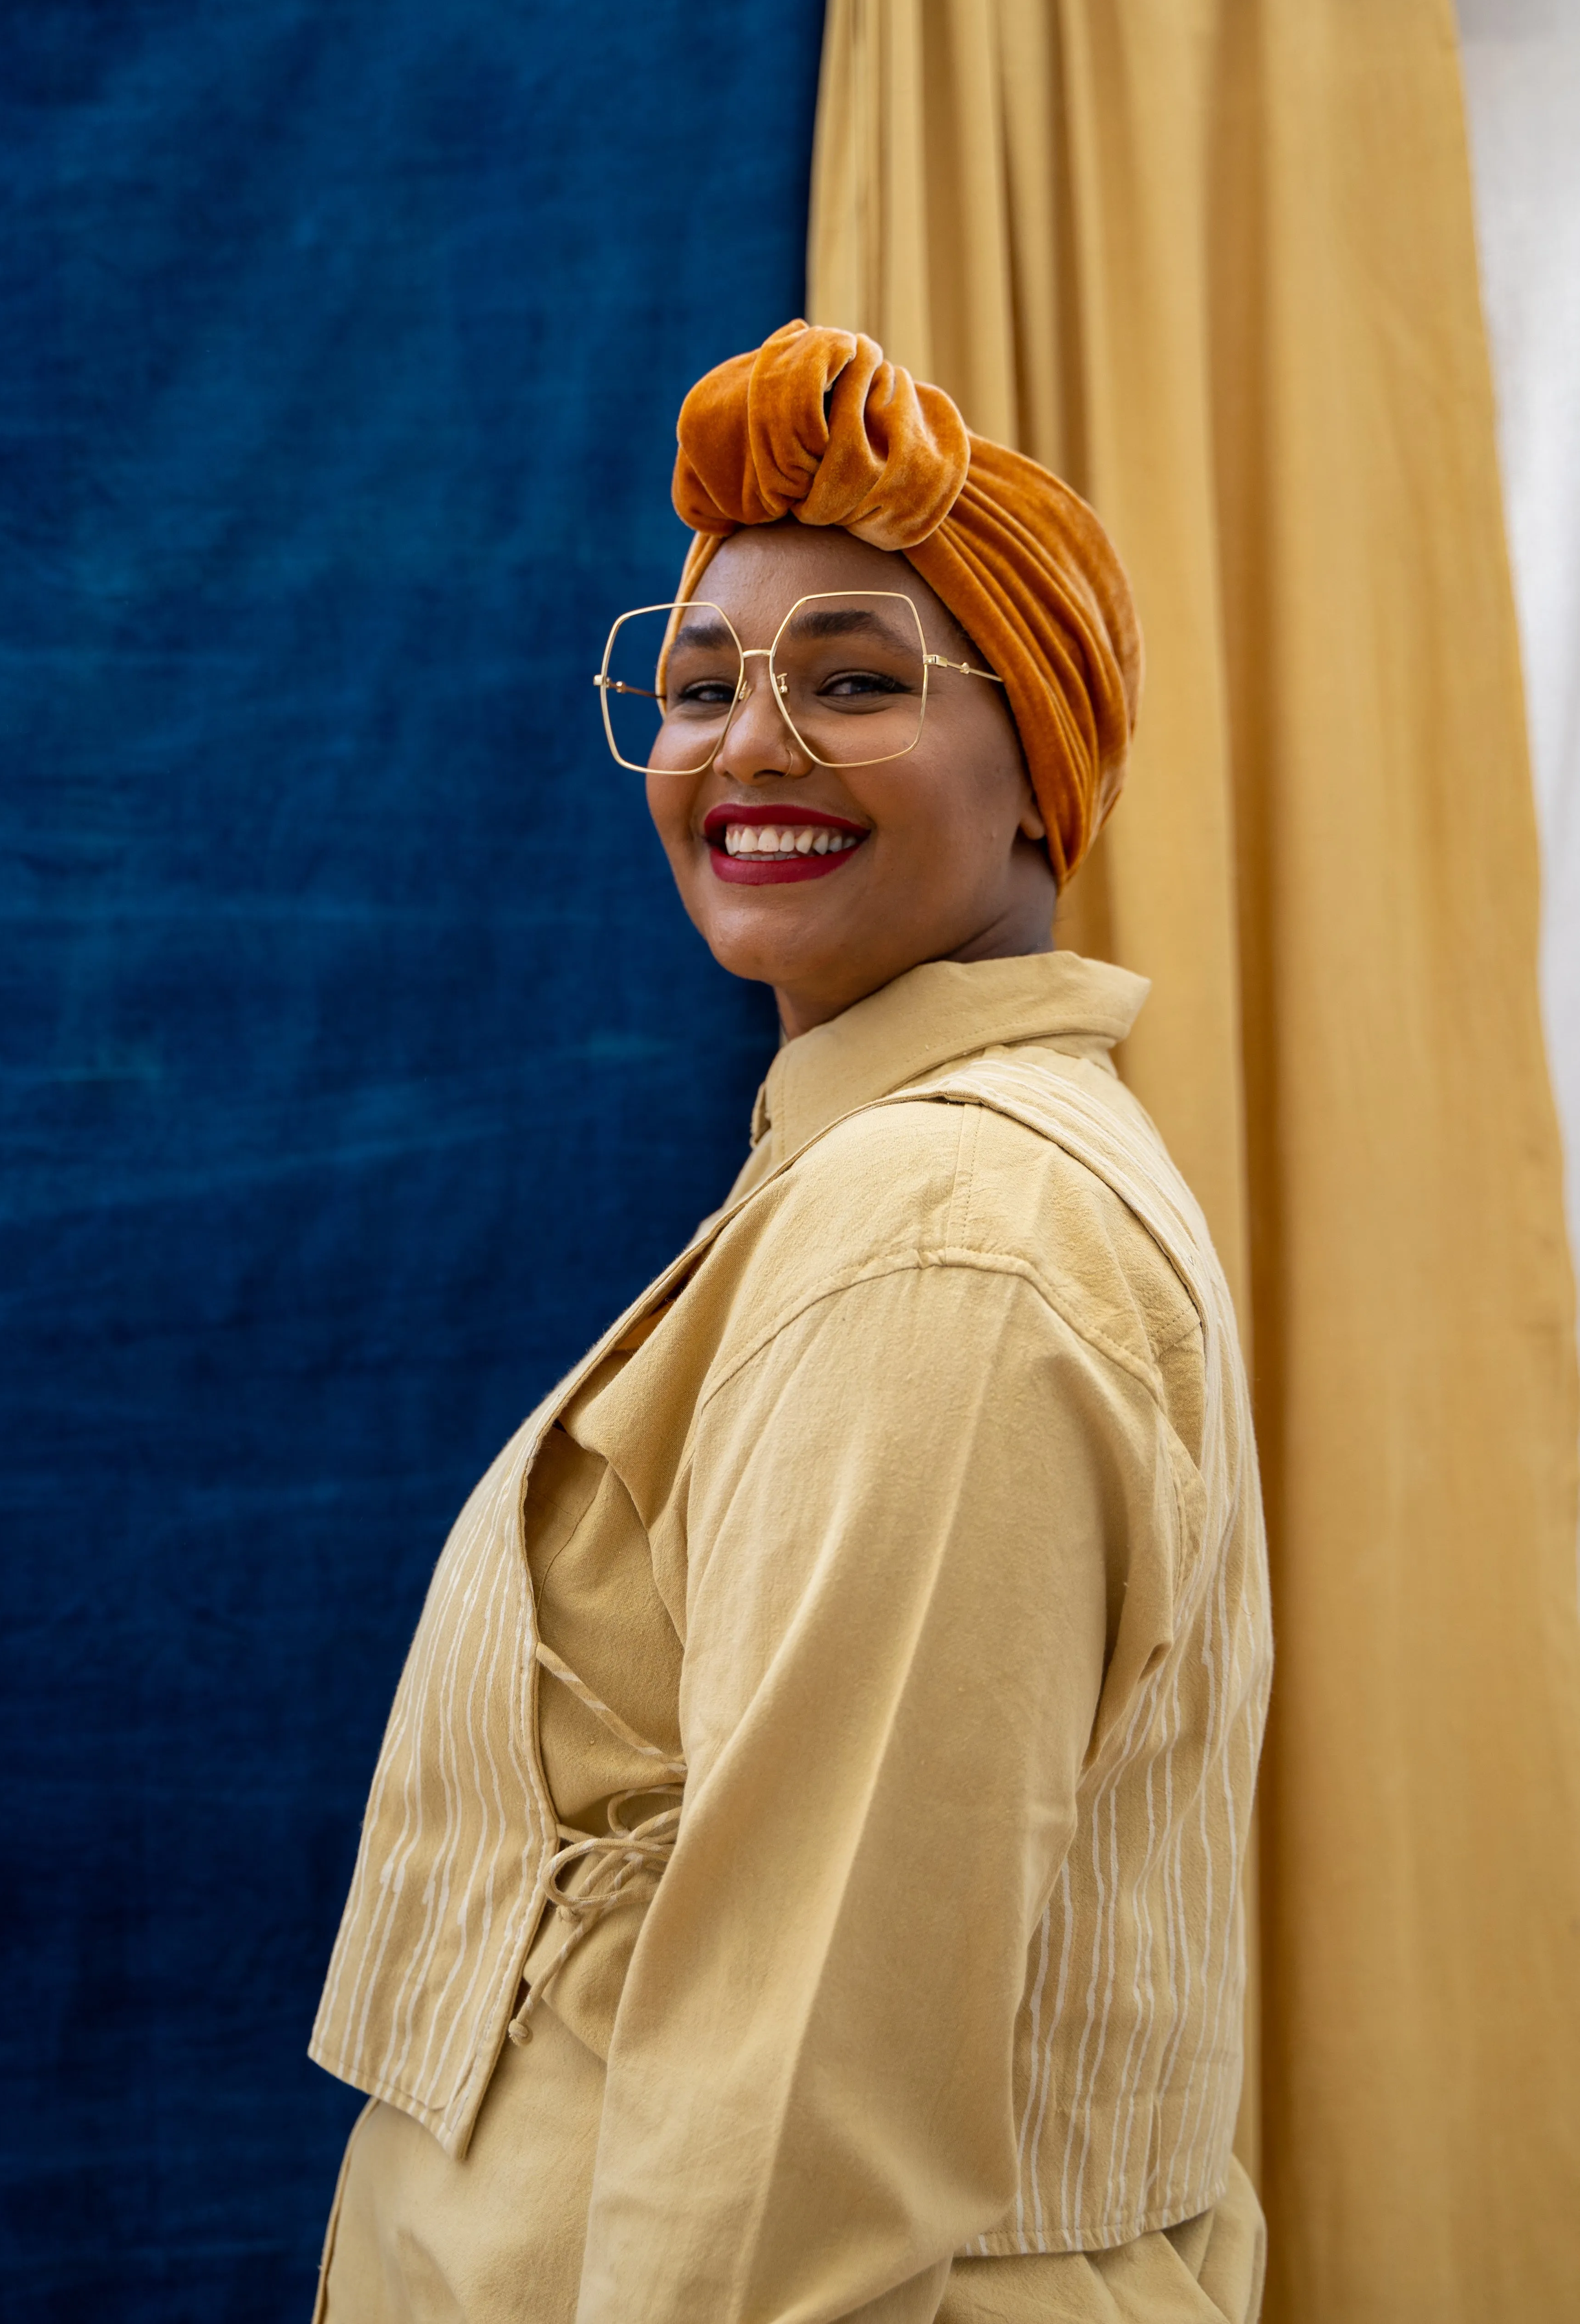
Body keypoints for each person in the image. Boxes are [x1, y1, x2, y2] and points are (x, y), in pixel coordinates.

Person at [307, 320, 1271, 2324]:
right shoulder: (881, 1171)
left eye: (850, 681)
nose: (744, 746)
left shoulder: (943, 1229)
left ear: (1044, 771)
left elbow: (795, 2114)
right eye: (694, 685)